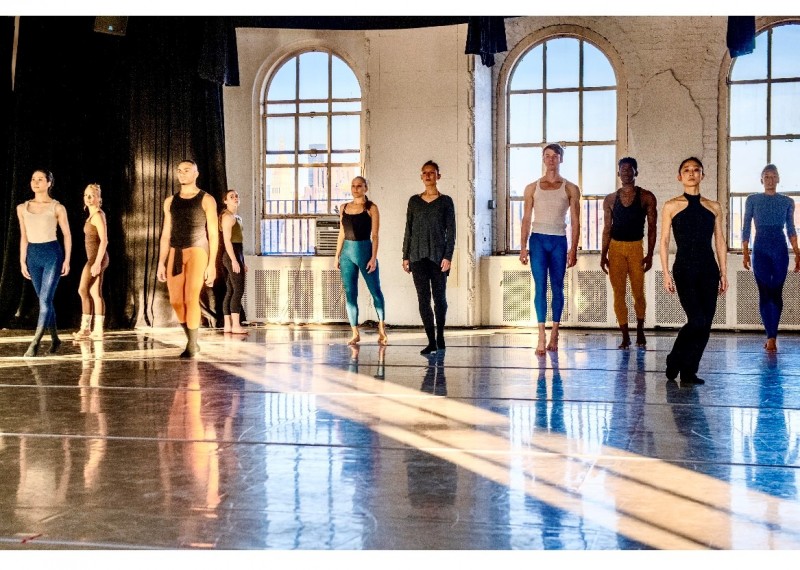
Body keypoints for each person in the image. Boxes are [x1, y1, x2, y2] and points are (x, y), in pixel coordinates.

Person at [660, 157, 728, 385]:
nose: (691, 173)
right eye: (686, 170)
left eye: (696, 170)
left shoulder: (713, 207)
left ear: (702, 175)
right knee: (697, 320)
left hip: (708, 269)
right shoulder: (671, 205)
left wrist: (724, 273)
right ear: (679, 176)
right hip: (684, 270)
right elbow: (664, 241)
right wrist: (665, 273)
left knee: (705, 324)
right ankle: (674, 358)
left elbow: (719, 241)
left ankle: (689, 372)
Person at [519, 143, 581, 355]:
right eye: (547, 156)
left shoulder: (570, 188)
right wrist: (523, 247)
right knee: (540, 288)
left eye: (555, 156)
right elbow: (526, 218)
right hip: (537, 240)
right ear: (543, 159)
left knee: (557, 287)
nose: (551, 159)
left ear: (561, 159)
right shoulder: (532, 187)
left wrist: (573, 249)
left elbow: (575, 220)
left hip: (558, 241)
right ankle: (541, 334)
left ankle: (554, 332)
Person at [156, 160, 218, 358]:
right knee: (176, 301)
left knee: (191, 297)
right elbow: (166, 234)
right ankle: (191, 339)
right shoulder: (170, 201)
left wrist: (212, 265)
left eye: (187, 170)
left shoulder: (206, 199)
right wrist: (161, 262)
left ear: (196, 173)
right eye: (180, 171)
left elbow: (213, 234)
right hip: (176, 251)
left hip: (198, 250)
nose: (182, 174)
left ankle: (192, 344)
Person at [600, 157, 658, 349]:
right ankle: (625, 335)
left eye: (629, 169)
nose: (626, 172)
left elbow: (652, 228)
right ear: (618, 174)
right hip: (616, 249)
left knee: (638, 292)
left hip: (635, 248)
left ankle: (640, 329)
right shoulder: (610, 199)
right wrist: (603, 255)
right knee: (619, 294)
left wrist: (649, 254)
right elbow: (607, 228)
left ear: (636, 172)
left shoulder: (646, 197)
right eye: (622, 169)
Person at [742, 164, 800, 352]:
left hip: (779, 249)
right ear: (761, 180)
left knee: (777, 292)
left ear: (778, 179)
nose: (770, 179)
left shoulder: (787, 202)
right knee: (764, 292)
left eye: (773, 176)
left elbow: (791, 229)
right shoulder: (752, 200)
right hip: (760, 248)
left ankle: (773, 336)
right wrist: (744, 252)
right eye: (766, 176)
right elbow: (745, 227)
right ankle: (770, 336)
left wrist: (798, 253)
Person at [17, 169, 72, 357]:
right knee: (44, 300)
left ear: (49, 183)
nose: (36, 182)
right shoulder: (22, 208)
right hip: (33, 254)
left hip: (52, 255)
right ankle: (55, 339)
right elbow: (23, 236)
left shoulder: (57, 207)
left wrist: (67, 259)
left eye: (40, 179)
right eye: (33, 179)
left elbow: (67, 234)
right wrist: (22, 261)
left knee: (45, 300)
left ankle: (35, 343)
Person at [402, 160, 456, 355]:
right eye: (424, 173)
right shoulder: (414, 201)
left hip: (438, 257)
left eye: (431, 173)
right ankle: (431, 340)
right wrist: (405, 255)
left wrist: (448, 256)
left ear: (438, 176)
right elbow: (408, 229)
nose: (428, 176)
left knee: (439, 298)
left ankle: (440, 335)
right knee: (423, 299)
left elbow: (451, 231)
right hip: (417, 257)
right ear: (421, 176)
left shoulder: (446, 201)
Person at [335, 176, 387, 346]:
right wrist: (337, 255)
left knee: (375, 291)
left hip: (365, 250)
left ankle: (382, 329)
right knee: (350, 293)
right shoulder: (343, 208)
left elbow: (375, 235)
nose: (356, 189)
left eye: (359, 186)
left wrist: (373, 258)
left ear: (366, 188)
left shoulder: (371, 208)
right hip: (347, 254)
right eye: (353, 186)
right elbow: (342, 233)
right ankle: (355, 332)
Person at [73, 183, 110, 340]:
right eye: (86, 195)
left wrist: (97, 263)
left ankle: (86, 328)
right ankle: (96, 330)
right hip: (94, 258)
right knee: (95, 293)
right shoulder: (91, 215)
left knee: (82, 290)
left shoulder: (98, 215)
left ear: (99, 198)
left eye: (92, 195)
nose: (88, 198)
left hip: (97, 258)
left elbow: (104, 240)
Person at [219, 189, 248, 335]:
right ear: (225, 201)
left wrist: (242, 261)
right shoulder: (227, 217)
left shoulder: (237, 217)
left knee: (231, 290)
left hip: (237, 254)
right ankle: (235, 325)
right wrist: (234, 260)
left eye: (237, 196)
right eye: (231, 196)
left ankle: (228, 326)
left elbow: (239, 244)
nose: (235, 198)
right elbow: (227, 242)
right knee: (238, 290)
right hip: (231, 255)